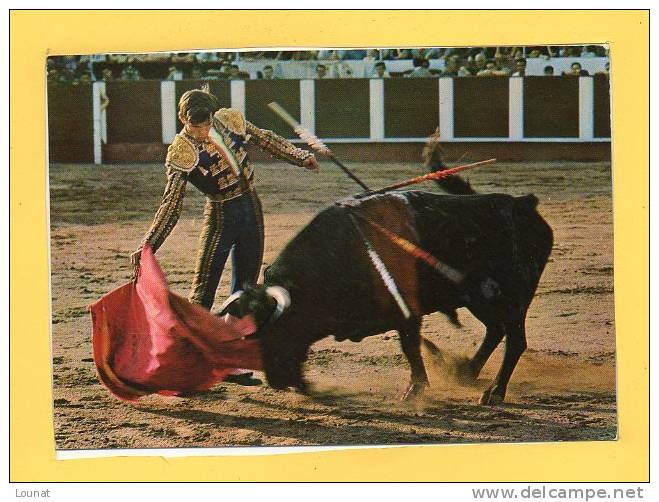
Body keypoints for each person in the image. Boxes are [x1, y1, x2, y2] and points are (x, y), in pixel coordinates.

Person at [130, 89, 320, 384]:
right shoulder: (181, 150)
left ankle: (229, 360)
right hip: (221, 216)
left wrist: (300, 157)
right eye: (196, 126)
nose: (203, 131)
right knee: (203, 290)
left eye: (206, 124)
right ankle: (185, 362)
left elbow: (264, 138)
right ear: (182, 119)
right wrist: (150, 243)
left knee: (245, 286)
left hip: (250, 207)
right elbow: (172, 203)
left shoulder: (228, 120)